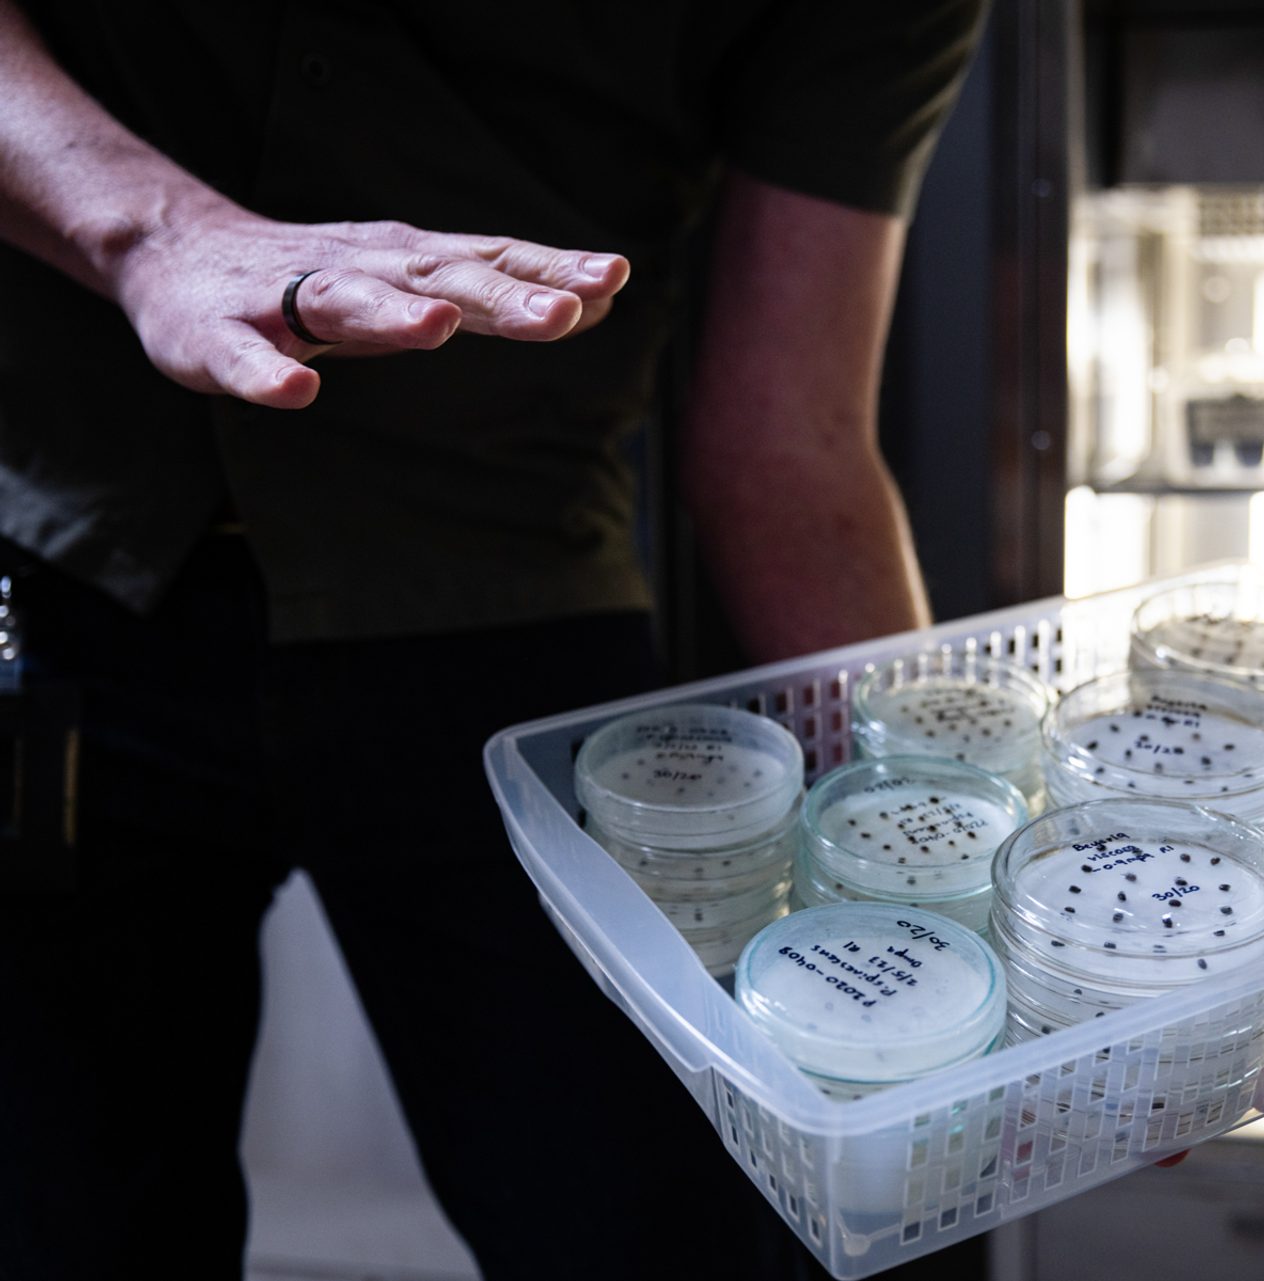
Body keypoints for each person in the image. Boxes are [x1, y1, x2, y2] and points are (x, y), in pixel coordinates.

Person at [0, 2, 988, 1278]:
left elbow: (789, 439)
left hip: (518, 645)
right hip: (64, 589)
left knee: (644, 1235)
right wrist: (156, 231)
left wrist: (957, 902)